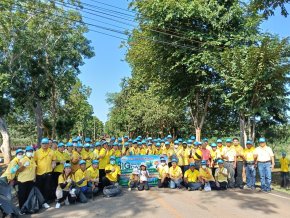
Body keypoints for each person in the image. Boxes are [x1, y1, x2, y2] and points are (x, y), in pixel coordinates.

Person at [34, 137, 56, 206]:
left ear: (48, 144)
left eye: (46, 143)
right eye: (43, 143)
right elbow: (34, 162)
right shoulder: (37, 152)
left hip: (48, 172)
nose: (44, 145)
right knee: (40, 188)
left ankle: (46, 201)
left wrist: (53, 164)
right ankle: (41, 201)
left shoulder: (51, 152)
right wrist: (34, 175)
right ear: (41, 144)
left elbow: (54, 160)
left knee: (47, 188)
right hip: (39, 173)